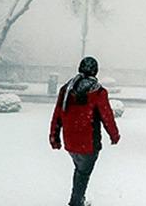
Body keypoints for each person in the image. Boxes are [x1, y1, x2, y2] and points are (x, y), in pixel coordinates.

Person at [49, 56, 120, 206]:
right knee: (83, 173)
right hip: (89, 144)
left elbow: (58, 114)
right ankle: (76, 202)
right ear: (96, 71)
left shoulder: (66, 90)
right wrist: (114, 135)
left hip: (71, 142)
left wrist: (54, 137)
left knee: (80, 170)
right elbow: (107, 116)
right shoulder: (98, 92)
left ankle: (78, 200)